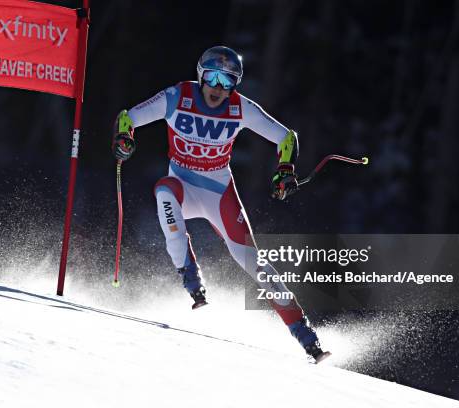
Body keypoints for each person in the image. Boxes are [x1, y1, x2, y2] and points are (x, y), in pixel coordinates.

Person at [112, 46, 330, 362]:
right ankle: (190, 277)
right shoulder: (177, 96)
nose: (217, 87)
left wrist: (285, 171)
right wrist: (123, 139)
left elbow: (286, 138)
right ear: (200, 74)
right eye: (212, 76)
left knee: (254, 263)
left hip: (219, 194)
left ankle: (305, 335)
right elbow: (127, 118)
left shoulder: (240, 108)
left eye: (228, 80)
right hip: (183, 185)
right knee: (164, 192)